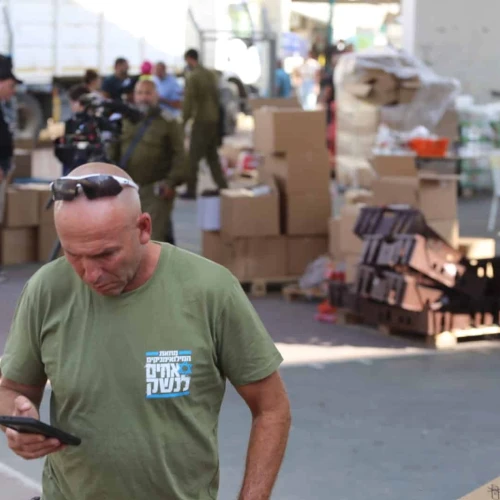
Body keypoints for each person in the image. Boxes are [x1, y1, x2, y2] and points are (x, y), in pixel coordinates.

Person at [0, 162, 291, 500]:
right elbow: (12, 388)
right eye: (73, 255)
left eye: (105, 254)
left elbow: (272, 409)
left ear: (143, 228)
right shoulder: (46, 290)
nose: (90, 274)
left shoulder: (210, 290)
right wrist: (16, 422)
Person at [108, 79, 186, 244]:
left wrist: (171, 183)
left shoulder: (168, 122)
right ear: (134, 96)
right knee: (126, 239)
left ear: (157, 96)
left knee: (151, 240)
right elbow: (112, 152)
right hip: (126, 190)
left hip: (155, 190)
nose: (144, 97)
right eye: (140, 93)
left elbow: (180, 156)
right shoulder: (124, 120)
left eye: (148, 93)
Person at [182, 48, 228, 199]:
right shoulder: (210, 74)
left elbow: (188, 102)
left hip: (201, 121)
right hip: (213, 120)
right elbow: (218, 98)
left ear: (189, 59)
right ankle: (223, 186)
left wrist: (182, 123)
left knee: (192, 158)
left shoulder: (193, 76)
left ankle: (191, 189)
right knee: (212, 156)